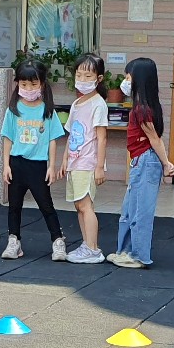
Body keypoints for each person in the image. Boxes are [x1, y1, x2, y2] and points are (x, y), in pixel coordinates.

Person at [109, 57, 174, 269]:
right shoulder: (142, 107)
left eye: (128, 77)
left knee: (140, 211)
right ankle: (125, 251)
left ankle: (138, 255)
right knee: (129, 209)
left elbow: (154, 139)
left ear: (139, 79)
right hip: (140, 161)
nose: (125, 81)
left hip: (146, 161)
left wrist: (166, 163)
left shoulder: (142, 109)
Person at [0, 59, 67, 261]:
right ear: (18, 84)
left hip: (38, 165)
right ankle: (14, 240)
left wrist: (51, 166)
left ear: (42, 84)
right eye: (24, 84)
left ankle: (58, 241)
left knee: (46, 205)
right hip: (17, 163)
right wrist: (6, 165)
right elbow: (7, 138)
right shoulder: (13, 109)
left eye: (33, 84)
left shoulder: (47, 110)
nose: (28, 89)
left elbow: (53, 140)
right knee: (14, 206)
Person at [60, 53, 109, 263]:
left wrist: (99, 167)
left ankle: (93, 248)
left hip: (87, 163)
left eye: (88, 76)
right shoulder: (77, 103)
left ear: (99, 78)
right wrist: (64, 160)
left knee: (86, 205)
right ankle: (87, 244)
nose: (82, 80)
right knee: (79, 206)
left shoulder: (98, 104)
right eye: (79, 75)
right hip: (75, 162)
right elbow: (71, 134)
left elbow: (102, 137)